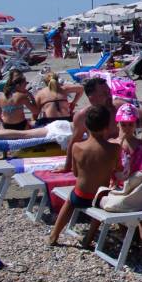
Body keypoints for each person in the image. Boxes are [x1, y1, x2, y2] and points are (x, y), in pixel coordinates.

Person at [47, 104, 120, 247]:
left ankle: (54, 235)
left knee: (69, 201)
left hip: (81, 194)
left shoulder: (77, 147)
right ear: (107, 126)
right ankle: (89, 237)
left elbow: (75, 172)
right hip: (100, 197)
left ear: (86, 126)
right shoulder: (114, 148)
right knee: (103, 201)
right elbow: (116, 169)